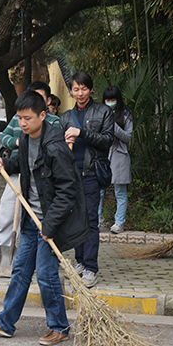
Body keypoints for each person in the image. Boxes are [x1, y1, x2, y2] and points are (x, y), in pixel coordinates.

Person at [0, 91, 89, 345]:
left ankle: (59, 327)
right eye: (19, 118)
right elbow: (24, 164)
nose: (22, 123)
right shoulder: (26, 139)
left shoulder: (56, 147)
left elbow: (68, 191)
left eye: (27, 118)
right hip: (30, 220)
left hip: (52, 222)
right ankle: (5, 322)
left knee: (47, 275)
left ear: (42, 115)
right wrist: (7, 163)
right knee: (20, 271)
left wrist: (49, 226)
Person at [0, 81, 60, 275]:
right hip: (16, 173)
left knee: (40, 220)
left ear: (46, 103)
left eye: (38, 99)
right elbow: (5, 137)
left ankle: (46, 262)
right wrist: (16, 142)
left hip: (42, 179)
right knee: (6, 215)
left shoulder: (54, 122)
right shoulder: (17, 119)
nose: (24, 121)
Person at [62, 72, 113, 288]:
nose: (80, 93)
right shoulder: (65, 117)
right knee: (75, 220)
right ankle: (80, 262)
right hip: (71, 176)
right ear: (71, 91)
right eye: (76, 89)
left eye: (84, 88)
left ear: (91, 90)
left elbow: (108, 140)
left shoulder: (103, 111)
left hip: (91, 174)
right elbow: (57, 147)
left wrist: (81, 133)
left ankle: (91, 268)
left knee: (91, 221)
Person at [98, 86, 133, 234]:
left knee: (120, 191)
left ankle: (119, 223)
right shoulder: (98, 113)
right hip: (103, 154)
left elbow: (127, 137)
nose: (110, 102)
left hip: (119, 155)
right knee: (99, 190)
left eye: (112, 100)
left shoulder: (126, 115)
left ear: (118, 100)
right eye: (107, 100)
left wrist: (113, 126)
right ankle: (96, 222)